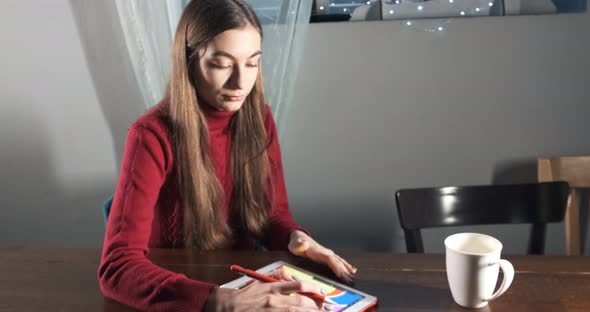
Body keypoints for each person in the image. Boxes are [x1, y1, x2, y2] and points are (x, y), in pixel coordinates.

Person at [98, 0, 357, 311]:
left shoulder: (260, 120)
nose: (240, 82)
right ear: (190, 61)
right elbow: (117, 267)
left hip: (243, 281)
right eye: (222, 64)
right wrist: (220, 301)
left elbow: (273, 215)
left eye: (252, 63)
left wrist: (295, 237)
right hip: (188, 296)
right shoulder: (150, 135)